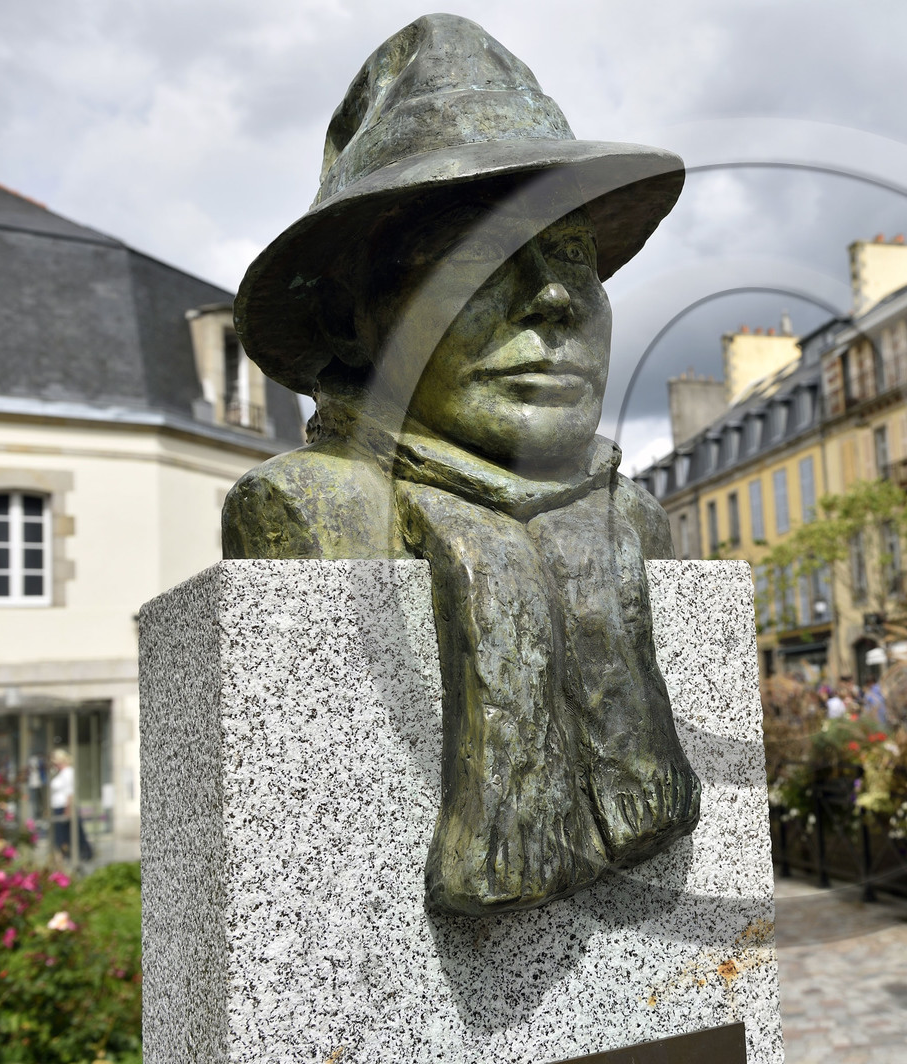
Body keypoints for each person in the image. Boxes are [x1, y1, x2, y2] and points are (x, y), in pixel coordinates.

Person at [221, 14, 700, 916]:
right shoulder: (312, 511)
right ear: (357, 317)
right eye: (483, 261)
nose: (557, 298)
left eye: (572, 259)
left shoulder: (627, 519)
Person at [48, 748, 93, 863]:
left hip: (65, 806)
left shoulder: (68, 772)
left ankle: (84, 852)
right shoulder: (60, 773)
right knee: (62, 834)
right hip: (58, 806)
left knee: (73, 832)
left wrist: (68, 809)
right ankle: (65, 854)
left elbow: (70, 793)